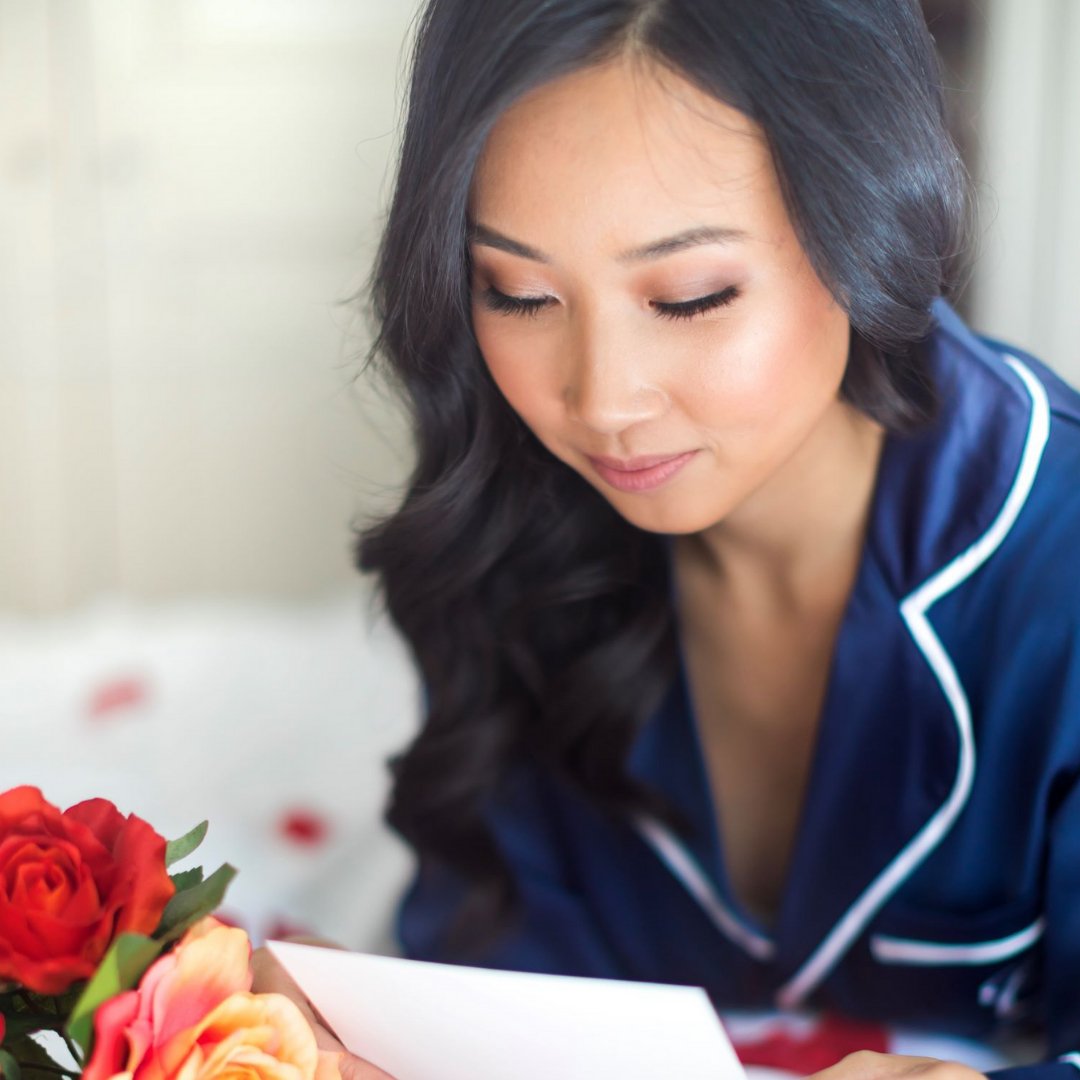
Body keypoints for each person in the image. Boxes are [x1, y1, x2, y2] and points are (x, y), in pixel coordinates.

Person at [253, 1, 1080, 1077]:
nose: (602, 400)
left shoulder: (1054, 570)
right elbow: (507, 987)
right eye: (520, 293)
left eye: (690, 298)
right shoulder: (514, 537)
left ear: (868, 229)